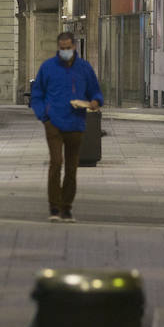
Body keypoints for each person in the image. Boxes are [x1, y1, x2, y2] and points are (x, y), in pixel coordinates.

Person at [28, 32, 104, 222]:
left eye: (68, 48)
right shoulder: (48, 67)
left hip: (76, 122)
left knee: (72, 168)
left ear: (74, 47)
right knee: (56, 163)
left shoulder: (84, 68)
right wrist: (43, 115)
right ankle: (54, 207)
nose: (65, 52)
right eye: (62, 49)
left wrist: (95, 101)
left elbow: (95, 90)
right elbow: (37, 94)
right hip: (53, 121)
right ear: (58, 48)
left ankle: (66, 207)